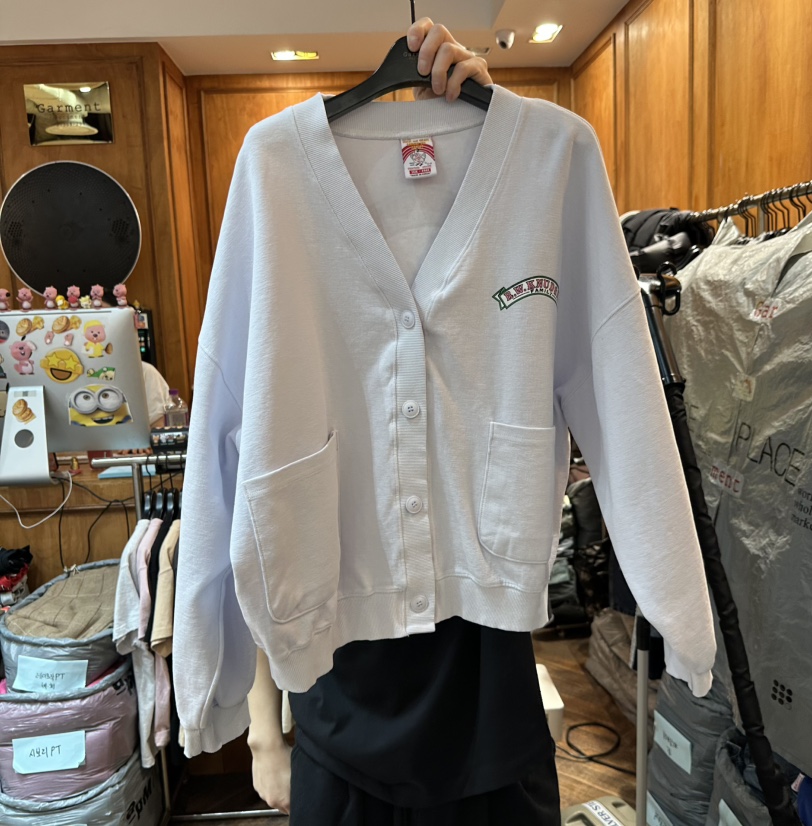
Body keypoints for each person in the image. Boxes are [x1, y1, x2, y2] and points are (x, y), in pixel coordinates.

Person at [246, 19, 562, 825]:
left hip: (490, 715)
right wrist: (258, 730)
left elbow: (616, 387)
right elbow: (247, 483)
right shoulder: (278, 181)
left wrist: (492, 133)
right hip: (340, 721)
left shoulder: (540, 174)